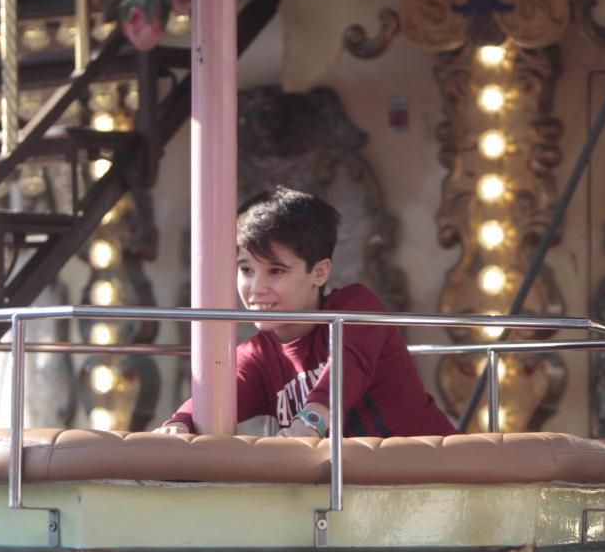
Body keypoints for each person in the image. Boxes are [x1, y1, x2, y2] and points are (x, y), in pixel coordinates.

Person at [153, 186, 455, 438]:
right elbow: (219, 396)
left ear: (319, 272)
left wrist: (309, 423)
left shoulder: (355, 308)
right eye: (246, 269)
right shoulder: (258, 354)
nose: (256, 288)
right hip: (354, 486)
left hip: (430, 471)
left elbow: (345, 368)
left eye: (276, 271)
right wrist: (179, 423)